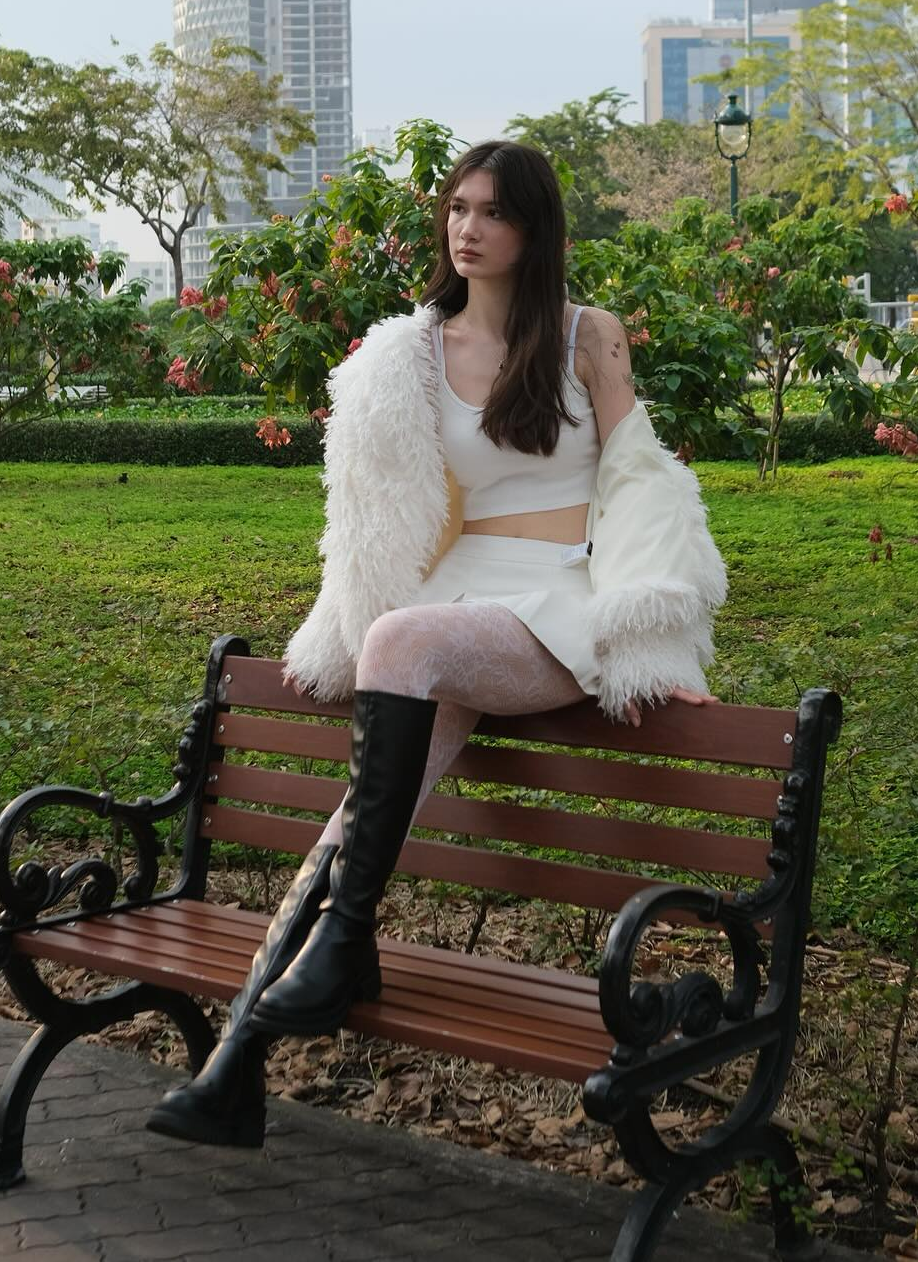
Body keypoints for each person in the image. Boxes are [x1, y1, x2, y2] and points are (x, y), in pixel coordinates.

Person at [148, 140, 726, 1147]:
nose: (468, 228)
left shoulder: (588, 335)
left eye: (493, 211)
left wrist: (654, 637)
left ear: (534, 229)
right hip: (454, 611)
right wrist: (342, 627)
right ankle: (235, 1068)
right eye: (458, 207)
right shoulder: (411, 350)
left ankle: (344, 948)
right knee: (348, 825)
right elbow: (369, 514)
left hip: (558, 602)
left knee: (403, 643)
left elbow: (641, 478)